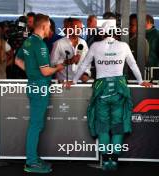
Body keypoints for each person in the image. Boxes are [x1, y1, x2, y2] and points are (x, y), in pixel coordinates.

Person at [70, 21, 152, 170]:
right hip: (119, 90)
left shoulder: (95, 46)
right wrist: (141, 81)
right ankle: (113, 161)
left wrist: (73, 81)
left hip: (101, 89)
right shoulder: (124, 46)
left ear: (102, 32)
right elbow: (133, 65)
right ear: (116, 32)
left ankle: (105, 160)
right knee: (118, 126)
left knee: (102, 126)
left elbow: (83, 65)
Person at [15, 13, 64, 173]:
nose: (50, 28)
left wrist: (31, 72)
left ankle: (33, 158)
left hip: (33, 85)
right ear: (43, 26)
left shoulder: (28, 41)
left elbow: (17, 60)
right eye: (49, 26)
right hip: (40, 86)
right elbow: (45, 71)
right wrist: (58, 67)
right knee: (36, 125)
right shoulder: (40, 45)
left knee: (36, 124)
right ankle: (31, 162)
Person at [51, 18, 90, 82]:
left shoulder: (83, 43)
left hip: (79, 82)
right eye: (76, 27)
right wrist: (69, 61)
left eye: (80, 28)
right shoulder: (58, 43)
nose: (79, 30)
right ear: (70, 28)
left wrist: (86, 74)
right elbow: (52, 64)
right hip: (63, 81)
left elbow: (87, 62)